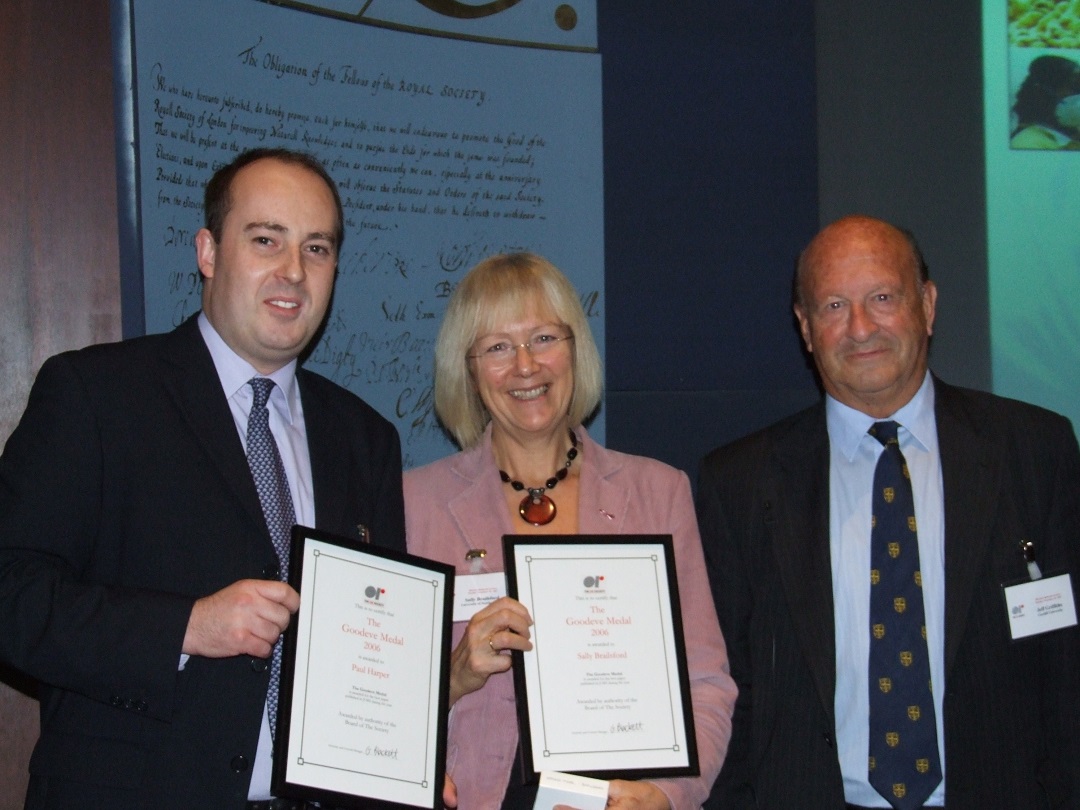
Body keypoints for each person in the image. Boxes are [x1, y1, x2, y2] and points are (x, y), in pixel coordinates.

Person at [0, 148, 406, 808]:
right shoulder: (96, 395)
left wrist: (399, 763)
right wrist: (186, 627)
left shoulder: (365, 439)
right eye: (266, 239)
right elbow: (10, 593)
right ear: (209, 251)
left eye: (317, 248)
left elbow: (376, 642)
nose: (293, 272)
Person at [697, 215, 1080, 809]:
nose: (860, 328)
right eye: (832, 306)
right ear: (804, 327)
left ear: (926, 306)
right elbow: (723, 690)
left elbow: (1067, 671)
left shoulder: (1034, 451)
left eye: (882, 297)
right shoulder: (739, 483)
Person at [404, 253, 736, 809]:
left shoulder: (659, 493)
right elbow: (382, 700)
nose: (526, 366)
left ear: (575, 350)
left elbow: (707, 684)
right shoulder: (416, 503)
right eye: (498, 347)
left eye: (543, 338)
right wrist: (456, 676)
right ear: (467, 370)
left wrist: (666, 794)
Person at [1011, 54, 1080, 149]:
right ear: (1041, 94)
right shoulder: (1028, 143)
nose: (1077, 94)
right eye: (1075, 87)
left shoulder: (1070, 136)